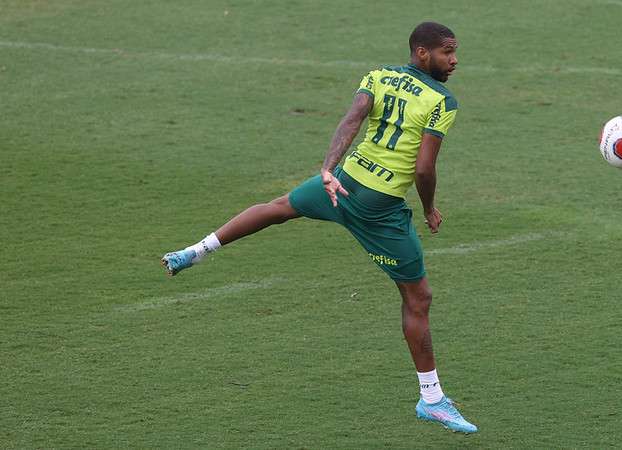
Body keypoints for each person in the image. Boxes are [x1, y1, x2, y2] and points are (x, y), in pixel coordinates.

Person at [161, 21, 477, 433]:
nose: (454, 60)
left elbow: (351, 121)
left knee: (278, 207)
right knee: (418, 298)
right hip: (378, 209)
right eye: (447, 51)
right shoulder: (443, 100)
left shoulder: (379, 75)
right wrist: (430, 208)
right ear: (422, 53)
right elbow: (423, 168)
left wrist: (328, 170)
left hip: (340, 184)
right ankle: (432, 398)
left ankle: (194, 252)